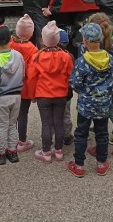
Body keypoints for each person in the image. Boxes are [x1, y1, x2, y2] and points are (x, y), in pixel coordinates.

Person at [68, 23, 113, 178]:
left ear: (85, 41)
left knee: (81, 133)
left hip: (86, 105)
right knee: (102, 133)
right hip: (103, 104)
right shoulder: (110, 59)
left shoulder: (82, 61)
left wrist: (84, 92)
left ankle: (79, 165)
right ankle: (101, 164)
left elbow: (74, 82)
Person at [81, 13, 113, 158]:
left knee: (97, 119)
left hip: (93, 90)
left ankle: (97, 146)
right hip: (112, 88)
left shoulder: (90, 46)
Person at [24, 21, 74, 163]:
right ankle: (58, 151)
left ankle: (46, 151)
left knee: (46, 123)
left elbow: (32, 78)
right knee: (58, 122)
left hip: (43, 95)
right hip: (60, 95)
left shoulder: (37, 57)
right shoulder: (65, 56)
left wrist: (32, 95)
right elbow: (70, 75)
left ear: (43, 40)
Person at [0, 25, 25, 165]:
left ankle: (1, 153)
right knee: (12, 124)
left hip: (1, 99)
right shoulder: (19, 56)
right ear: (11, 38)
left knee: (1, 126)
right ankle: (13, 152)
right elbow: (23, 75)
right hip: (16, 96)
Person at [9, 14, 38, 153]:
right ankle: (21, 141)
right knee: (22, 114)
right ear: (31, 33)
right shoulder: (33, 50)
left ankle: (10, 139)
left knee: (11, 114)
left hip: (9, 86)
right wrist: (33, 94)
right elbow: (32, 75)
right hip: (24, 88)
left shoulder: (10, 44)